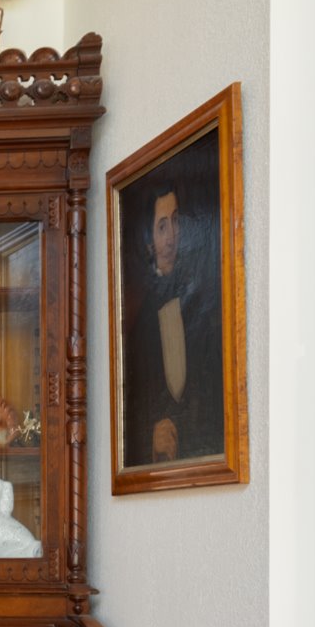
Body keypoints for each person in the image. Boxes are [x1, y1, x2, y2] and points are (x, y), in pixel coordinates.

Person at [121, 183, 223, 468]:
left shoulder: (204, 306)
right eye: (162, 227)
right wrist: (149, 436)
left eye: (176, 222)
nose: (171, 238)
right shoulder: (140, 325)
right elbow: (130, 408)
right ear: (150, 242)